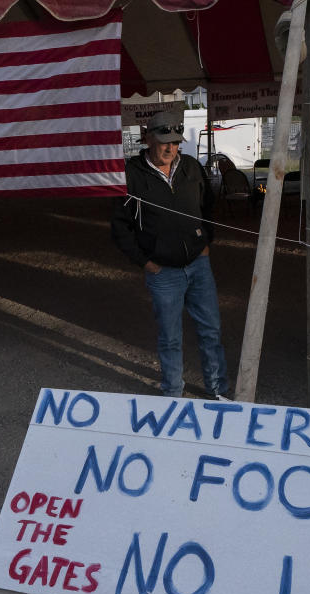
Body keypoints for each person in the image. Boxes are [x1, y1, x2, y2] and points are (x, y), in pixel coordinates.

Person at [111, 110, 230, 400]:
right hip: (163, 272)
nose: (170, 148)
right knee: (170, 338)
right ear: (148, 138)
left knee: (211, 331)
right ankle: (173, 394)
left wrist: (206, 243)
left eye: (176, 142)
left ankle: (218, 391)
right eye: (164, 141)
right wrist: (145, 262)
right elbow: (119, 225)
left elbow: (208, 208)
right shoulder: (131, 175)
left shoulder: (191, 167)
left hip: (198, 265)